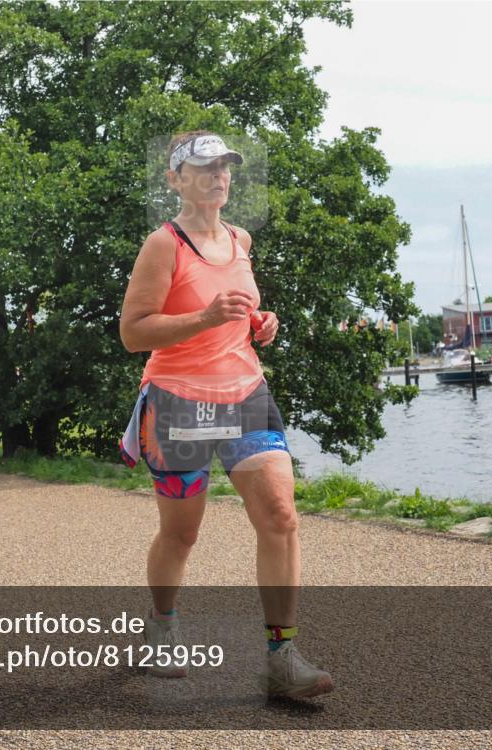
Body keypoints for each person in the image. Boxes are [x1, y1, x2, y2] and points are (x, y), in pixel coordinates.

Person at [118, 132, 332, 698]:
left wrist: (259, 324)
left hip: (246, 393)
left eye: (226, 167)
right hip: (178, 400)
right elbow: (134, 331)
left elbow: (239, 312)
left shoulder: (240, 239)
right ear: (175, 179)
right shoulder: (163, 245)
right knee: (182, 534)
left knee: (281, 515)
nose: (219, 175)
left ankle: (282, 657)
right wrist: (209, 316)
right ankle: (162, 626)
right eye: (204, 167)